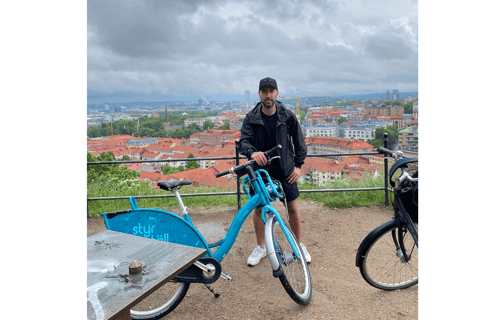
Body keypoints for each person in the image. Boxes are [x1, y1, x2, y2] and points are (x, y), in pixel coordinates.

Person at [239, 77, 311, 266]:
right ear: (260, 94)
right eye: (264, 91)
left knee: (292, 208)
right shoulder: (251, 118)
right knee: (259, 208)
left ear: (277, 93)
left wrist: (298, 166)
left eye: (271, 91)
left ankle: (298, 244)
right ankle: (261, 247)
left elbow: (299, 143)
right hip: (260, 171)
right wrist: (253, 152)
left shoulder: (287, 116)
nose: (268, 95)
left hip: (285, 169)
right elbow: (244, 142)